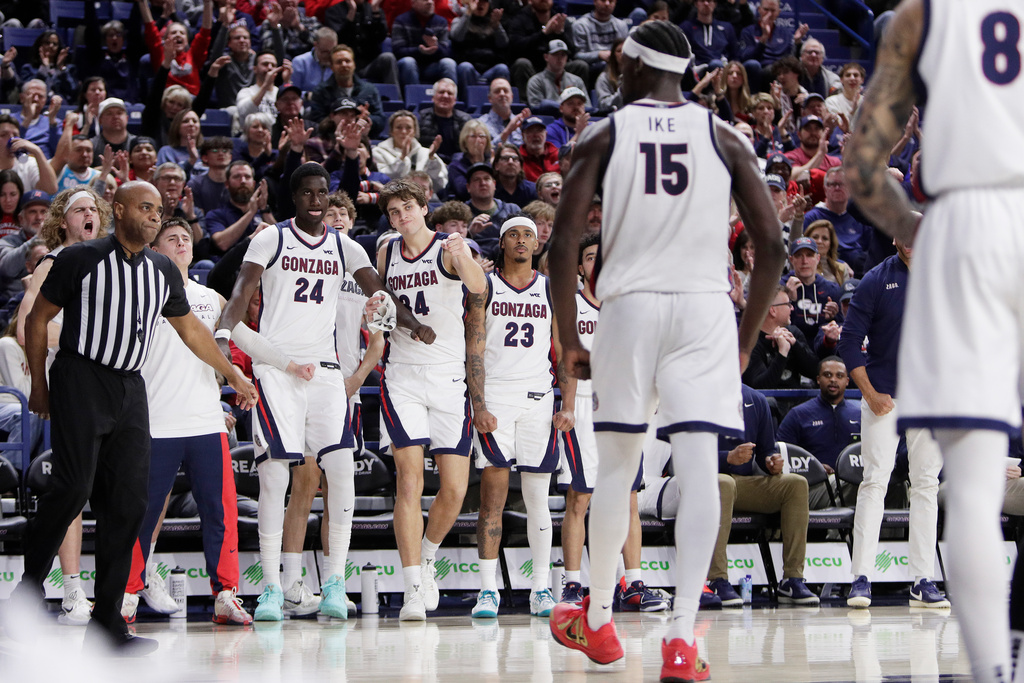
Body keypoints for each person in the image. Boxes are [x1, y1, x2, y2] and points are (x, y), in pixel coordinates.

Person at [545, 21, 785, 680]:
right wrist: (742, 339)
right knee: (700, 468)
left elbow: (564, 245)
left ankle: (597, 621)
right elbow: (773, 247)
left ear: (629, 64)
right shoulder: (726, 135)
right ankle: (680, 637)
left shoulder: (604, 132)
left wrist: (570, 337)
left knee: (616, 472)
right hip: (704, 311)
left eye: (617, 64)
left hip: (630, 307)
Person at [12, 181, 257, 653]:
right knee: (72, 490)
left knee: (127, 505)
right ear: (117, 210)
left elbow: (191, 330)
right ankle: (26, 592)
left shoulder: (163, 268)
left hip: (131, 387)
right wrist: (40, 386)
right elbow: (37, 320)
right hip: (81, 379)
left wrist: (231, 375)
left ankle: (106, 623)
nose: (153, 216)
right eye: (144, 208)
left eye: (158, 210)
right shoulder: (80, 259)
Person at [216, 163, 422, 621]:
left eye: (322, 192)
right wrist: (225, 333)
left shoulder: (346, 246)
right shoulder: (272, 238)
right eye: (307, 192)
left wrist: (415, 324)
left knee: (342, 471)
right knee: (276, 478)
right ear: (294, 198)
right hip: (278, 370)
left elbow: (382, 292)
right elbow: (241, 288)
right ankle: (271, 587)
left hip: (328, 371)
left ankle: (333, 580)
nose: (316, 200)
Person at [122, 217, 252, 626]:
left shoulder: (211, 299)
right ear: (156, 249)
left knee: (220, 511)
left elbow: (243, 342)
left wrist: (286, 364)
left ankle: (225, 595)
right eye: (171, 239)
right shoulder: (138, 292)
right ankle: (126, 593)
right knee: (139, 513)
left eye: (185, 238)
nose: (180, 243)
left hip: (205, 421)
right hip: (154, 421)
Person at [371, 178, 486, 621]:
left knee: (455, 488)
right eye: (393, 212)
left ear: (424, 207)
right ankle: (413, 587)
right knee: (409, 482)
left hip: (447, 377)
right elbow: (382, 305)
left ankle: (428, 553)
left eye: (407, 208)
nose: (401, 217)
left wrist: (464, 255)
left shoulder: (448, 247)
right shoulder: (386, 251)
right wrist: (375, 314)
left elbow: (477, 287)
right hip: (402, 376)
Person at [277, 191, 386, 617]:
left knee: (338, 486)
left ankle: (332, 584)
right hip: (302, 385)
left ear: (353, 222)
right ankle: (290, 585)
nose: (336, 218)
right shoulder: (296, 263)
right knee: (302, 485)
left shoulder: (367, 275)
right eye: (330, 213)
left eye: (344, 213)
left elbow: (380, 339)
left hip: (345, 390)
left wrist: (355, 380)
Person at [835, 234, 948, 611]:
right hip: (884, 395)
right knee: (875, 481)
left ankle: (922, 579)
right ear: (896, 237)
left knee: (926, 484)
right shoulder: (876, 279)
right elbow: (849, 341)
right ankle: (861, 577)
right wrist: (869, 393)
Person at [464, 215, 570, 618]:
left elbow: (562, 352)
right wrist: (478, 405)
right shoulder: (485, 286)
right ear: (503, 244)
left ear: (537, 244)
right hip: (496, 401)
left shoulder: (550, 290)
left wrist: (569, 404)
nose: (522, 240)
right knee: (493, 498)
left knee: (538, 501)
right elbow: (473, 347)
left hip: (539, 401)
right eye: (514, 234)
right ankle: (487, 590)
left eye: (528, 234)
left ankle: (540, 588)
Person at [557, 233, 667, 612]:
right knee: (581, 498)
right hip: (585, 406)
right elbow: (566, 362)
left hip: (624, 407)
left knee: (628, 498)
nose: (597, 263)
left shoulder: (629, 308)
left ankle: (633, 583)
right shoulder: (570, 306)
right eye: (589, 257)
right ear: (580, 266)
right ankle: (573, 584)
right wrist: (568, 406)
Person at [709, 384, 817, 606]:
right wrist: (726, 457)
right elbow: (686, 452)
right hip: (705, 481)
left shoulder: (756, 399)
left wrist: (771, 462)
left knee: (796, 484)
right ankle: (716, 579)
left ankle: (792, 579)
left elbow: (767, 449)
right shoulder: (698, 393)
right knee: (725, 483)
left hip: (743, 484)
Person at [777, 356, 861, 508]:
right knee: (854, 484)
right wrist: (814, 468)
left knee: (892, 486)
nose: (833, 380)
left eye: (839, 376)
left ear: (847, 381)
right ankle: (839, 531)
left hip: (852, 483)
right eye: (827, 375)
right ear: (818, 379)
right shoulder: (798, 414)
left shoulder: (860, 414)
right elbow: (781, 456)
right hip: (812, 487)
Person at [742, 285, 819, 389]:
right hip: (767, 403)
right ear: (772, 310)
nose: (792, 308)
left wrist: (795, 345)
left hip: (797, 402)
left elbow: (816, 372)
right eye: (788, 304)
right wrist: (782, 353)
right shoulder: (750, 342)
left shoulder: (794, 334)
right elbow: (761, 387)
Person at [803, 167, 869, 276]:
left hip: (859, 271)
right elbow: (806, 252)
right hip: (824, 272)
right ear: (825, 189)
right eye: (832, 184)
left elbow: (871, 250)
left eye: (842, 184)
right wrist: (839, 265)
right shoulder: (812, 217)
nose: (837, 188)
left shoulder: (860, 215)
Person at [373, 110, 448, 196]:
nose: (404, 132)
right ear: (391, 131)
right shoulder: (378, 152)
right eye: (399, 127)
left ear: (415, 131)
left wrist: (431, 160)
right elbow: (383, 181)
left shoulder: (427, 153)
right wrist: (402, 158)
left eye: (408, 127)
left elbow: (440, 185)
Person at [782, 236, 840, 343]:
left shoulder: (832, 289)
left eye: (809, 255)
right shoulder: (781, 288)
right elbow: (775, 326)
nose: (804, 261)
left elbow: (842, 326)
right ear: (791, 260)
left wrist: (831, 319)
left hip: (822, 349)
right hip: (790, 347)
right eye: (799, 256)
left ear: (818, 258)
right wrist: (788, 301)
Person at [391, 0, 458, 92]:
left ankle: (451, 99)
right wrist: (419, 50)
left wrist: (436, 47)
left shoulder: (441, 21)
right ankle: (414, 100)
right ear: (413, 3)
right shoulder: (401, 20)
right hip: (408, 66)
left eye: (431, 0)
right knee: (408, 62)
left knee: (449, 63)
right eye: (425, 0)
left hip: (432, 66)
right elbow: (397, 51)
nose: (430, 2)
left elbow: (447, 52)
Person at [451, 0, 511, 96]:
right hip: (470, 68)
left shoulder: (493, 23)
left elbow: (503, 44)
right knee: (465, 67)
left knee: (502, 68)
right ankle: (467, 103)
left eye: (484, 2)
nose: (480, 4)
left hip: (490, 69)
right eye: (476, 1)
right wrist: (468, 13)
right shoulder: (459, 20)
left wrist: (497, 26)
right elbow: (457, 37)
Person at [465, 163, 521, 256]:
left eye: (487, 179)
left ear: (494, 184)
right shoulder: (461, 213)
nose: (482, 183)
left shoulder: (512, 209)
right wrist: (470, 233)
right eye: (476, 179)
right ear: (468, 187)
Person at [416, 78, 474, 165]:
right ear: (433, 97)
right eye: (441, 92)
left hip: (458, 166)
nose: (445, 96)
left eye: (450, 93)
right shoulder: (420, 119)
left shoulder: (466, 120)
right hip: (428, 164)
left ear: (455, 100)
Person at [570, 0, 629, 82]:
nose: (607, 4)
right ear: (595, 1)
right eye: (603, 0)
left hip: (616, 65)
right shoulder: (581, 25)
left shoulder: (621, 25)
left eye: (611, 1)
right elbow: (577, 56)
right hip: (592, 67)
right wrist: (598, 55)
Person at [526, 40, 588, 114]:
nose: (560, 58)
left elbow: (587, 106)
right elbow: (536, 107)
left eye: (563, 55)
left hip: (573, 122)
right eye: (555, 54)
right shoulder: (536, 81)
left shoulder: (577, 81)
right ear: (546, 57)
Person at [682, 0, 739, 71]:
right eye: (702, 1)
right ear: (696, 4)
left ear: (715, 4)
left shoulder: (727, 27)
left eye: (709, 1)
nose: (706, 3)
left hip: (723, 69)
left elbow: (735, 55)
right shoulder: (686, 27)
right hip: (697, 70)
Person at [477, 78, 532, 148]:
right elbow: (483, 153)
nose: (502, 94)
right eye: (497, 91)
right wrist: (508, 131)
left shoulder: (521, 123)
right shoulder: (480, 124)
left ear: (512, 97)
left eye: (505, 91)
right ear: (490, 98)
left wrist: (527, 132)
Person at [804, 219, 853, 285]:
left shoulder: (842, 269)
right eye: (815, 237)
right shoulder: (801, 265)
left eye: (825, 238)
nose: (819, 241)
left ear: (831, 243)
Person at [520, 118, 559, 182]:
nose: (535, 135)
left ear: (546, 134)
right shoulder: (518, 159)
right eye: (530, 131)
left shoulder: (558, 155)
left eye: (539, 131)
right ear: (523, 136)